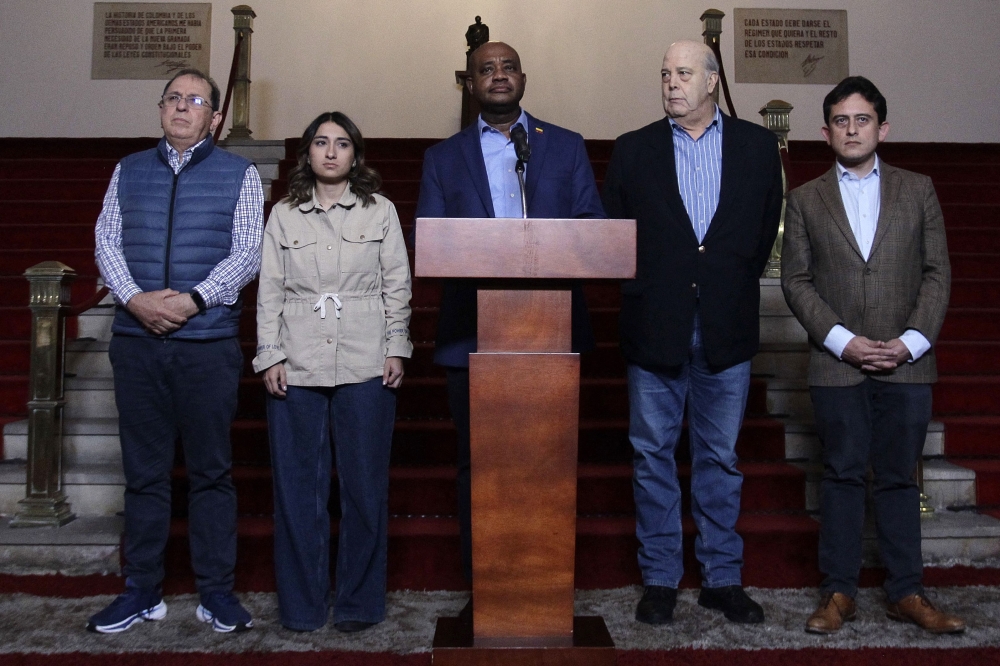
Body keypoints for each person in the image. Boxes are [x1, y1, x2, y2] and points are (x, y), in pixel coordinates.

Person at [414, 41, 605, 602]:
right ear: (469, 84)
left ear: (524, 77)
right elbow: (431, 242)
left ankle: (546, 586)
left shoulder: (565, 148)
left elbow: (591, 230)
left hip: (550, 332)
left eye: (507, 67)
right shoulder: (442, 158)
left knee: (549, 462)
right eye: (485, 69)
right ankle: (488, 587)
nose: (497, 76)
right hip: (471, 333)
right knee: (481, 465)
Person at [602, 40, 782, 625]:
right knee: (651, 455)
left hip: (727, 326)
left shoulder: (757, 147)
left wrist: (718, 283)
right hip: (655, 325)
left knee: (720, 458)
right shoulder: (632, 150)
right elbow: (617, 236)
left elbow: (759, 239)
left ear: (712, 81)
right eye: (664, 74)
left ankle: (721, 579)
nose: (671, 83)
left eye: (683, 73)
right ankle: (659, 578)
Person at [781, 76, 964, 635]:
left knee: (898, 478)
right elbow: (797, 281)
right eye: (841, 120)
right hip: (837, 362)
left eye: (862, 120)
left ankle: (906, 592)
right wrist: (843, 340)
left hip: (908, 361)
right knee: (839, 475)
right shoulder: (805, 198)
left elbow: (938, 273)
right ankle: (838, 592)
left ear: (882, 128)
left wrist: (910, 342)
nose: (852, 129)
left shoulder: (919, 188)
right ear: (825, 132)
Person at [89, 68, 262, 633]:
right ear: (160, 109)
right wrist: (135, 299)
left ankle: (216, 593)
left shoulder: (241, 174)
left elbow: (247, 253)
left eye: (195, 101)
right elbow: (106, 240)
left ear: (214, 117)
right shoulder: (128, 170)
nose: (181, 108)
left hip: (207, 347)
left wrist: (191, 301)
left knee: (211, 473)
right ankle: (141, 590)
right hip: (137, 346)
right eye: (172, 99)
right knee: (143, 475)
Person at [253, 112, 412, 633]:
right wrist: (269, 353)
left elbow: (397, 285)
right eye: (321, 142)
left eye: (341, 143)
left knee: (365, 489)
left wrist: (397, 347)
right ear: (306, 153)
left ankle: (358, 605)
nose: (330, 151)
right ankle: (301, 608)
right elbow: (269, 289)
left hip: (366, 359)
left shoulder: (380, 211)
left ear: (355, 155)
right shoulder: (283, 214)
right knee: (299, 491)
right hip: (297, 362)